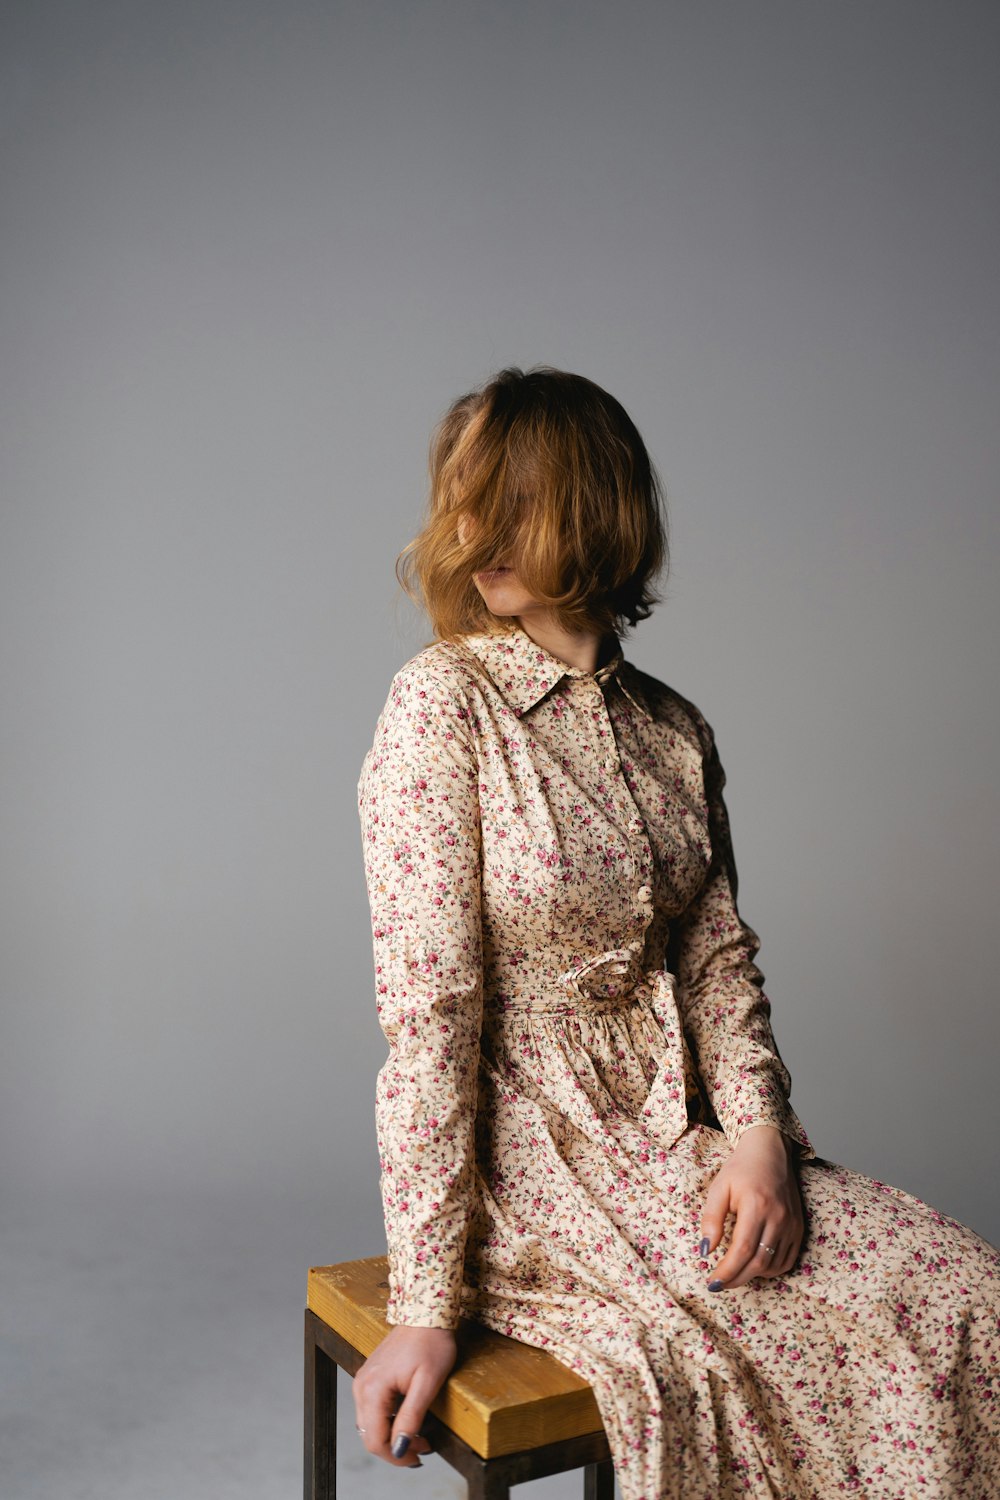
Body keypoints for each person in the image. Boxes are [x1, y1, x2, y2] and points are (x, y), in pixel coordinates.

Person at [353, 366, 1000, 1497]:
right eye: (465, 503)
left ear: (593, 512)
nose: (474, 535)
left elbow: (712, 960)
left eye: (510, 504)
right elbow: (430, 1021)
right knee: (722, 1356)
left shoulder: (673, 731)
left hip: (684, 1130)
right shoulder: (440, 706)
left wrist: (756, 1137)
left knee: (957, 1289)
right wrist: (421, 1306)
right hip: (532, 1155)